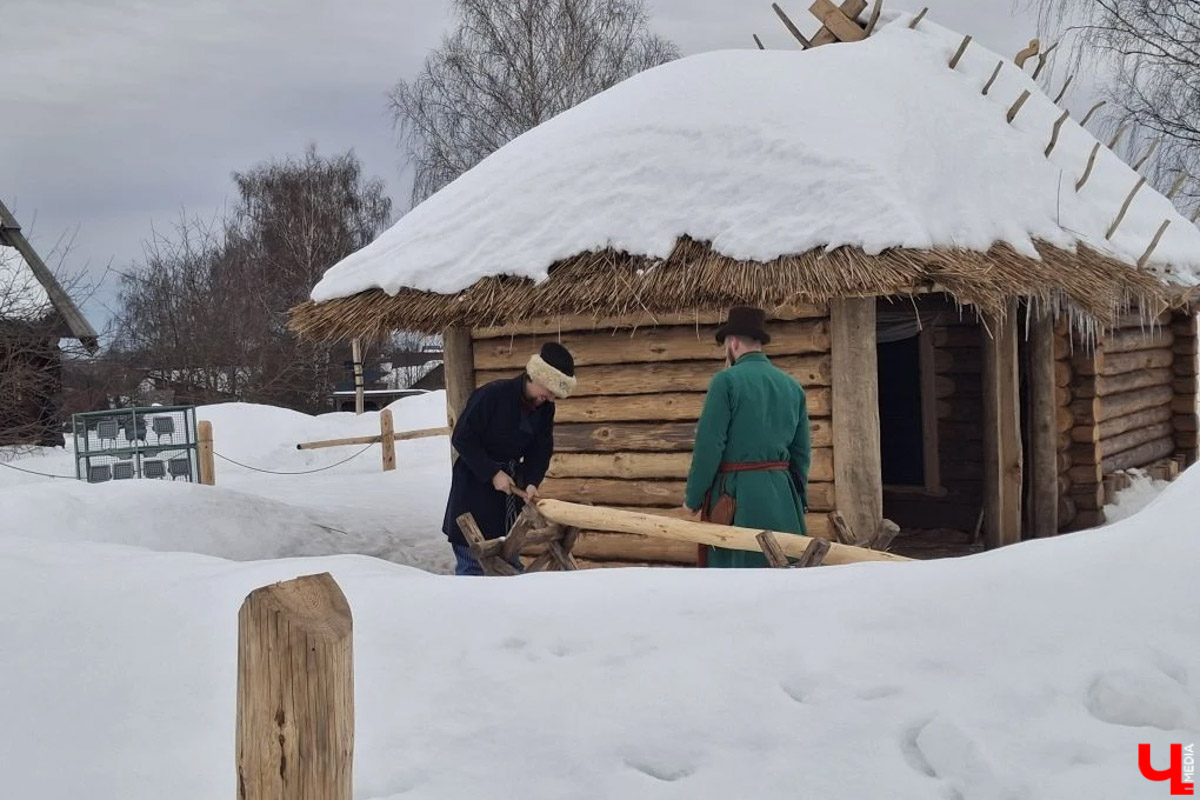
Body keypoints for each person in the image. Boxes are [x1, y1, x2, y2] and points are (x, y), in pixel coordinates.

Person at [683, 306, 811, 568]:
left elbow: (709, 446)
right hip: (784, 498)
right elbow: (801, 454)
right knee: (784, 573)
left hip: (736, 497)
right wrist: (799, 500)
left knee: (738, 575)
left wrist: (693, 499)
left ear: (733, 342)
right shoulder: (793, 387)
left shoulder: (726, 382)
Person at [442, 341, 576, 575]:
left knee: (508, 559)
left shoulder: (545, 408)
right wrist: (493, 473)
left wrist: (532, 481)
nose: (551, 398)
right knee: (473, 566)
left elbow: (540, 449)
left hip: (509, 494)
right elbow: (462, 438)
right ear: (537, 376)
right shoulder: (492, 394)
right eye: (550, 390)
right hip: (474, 489)